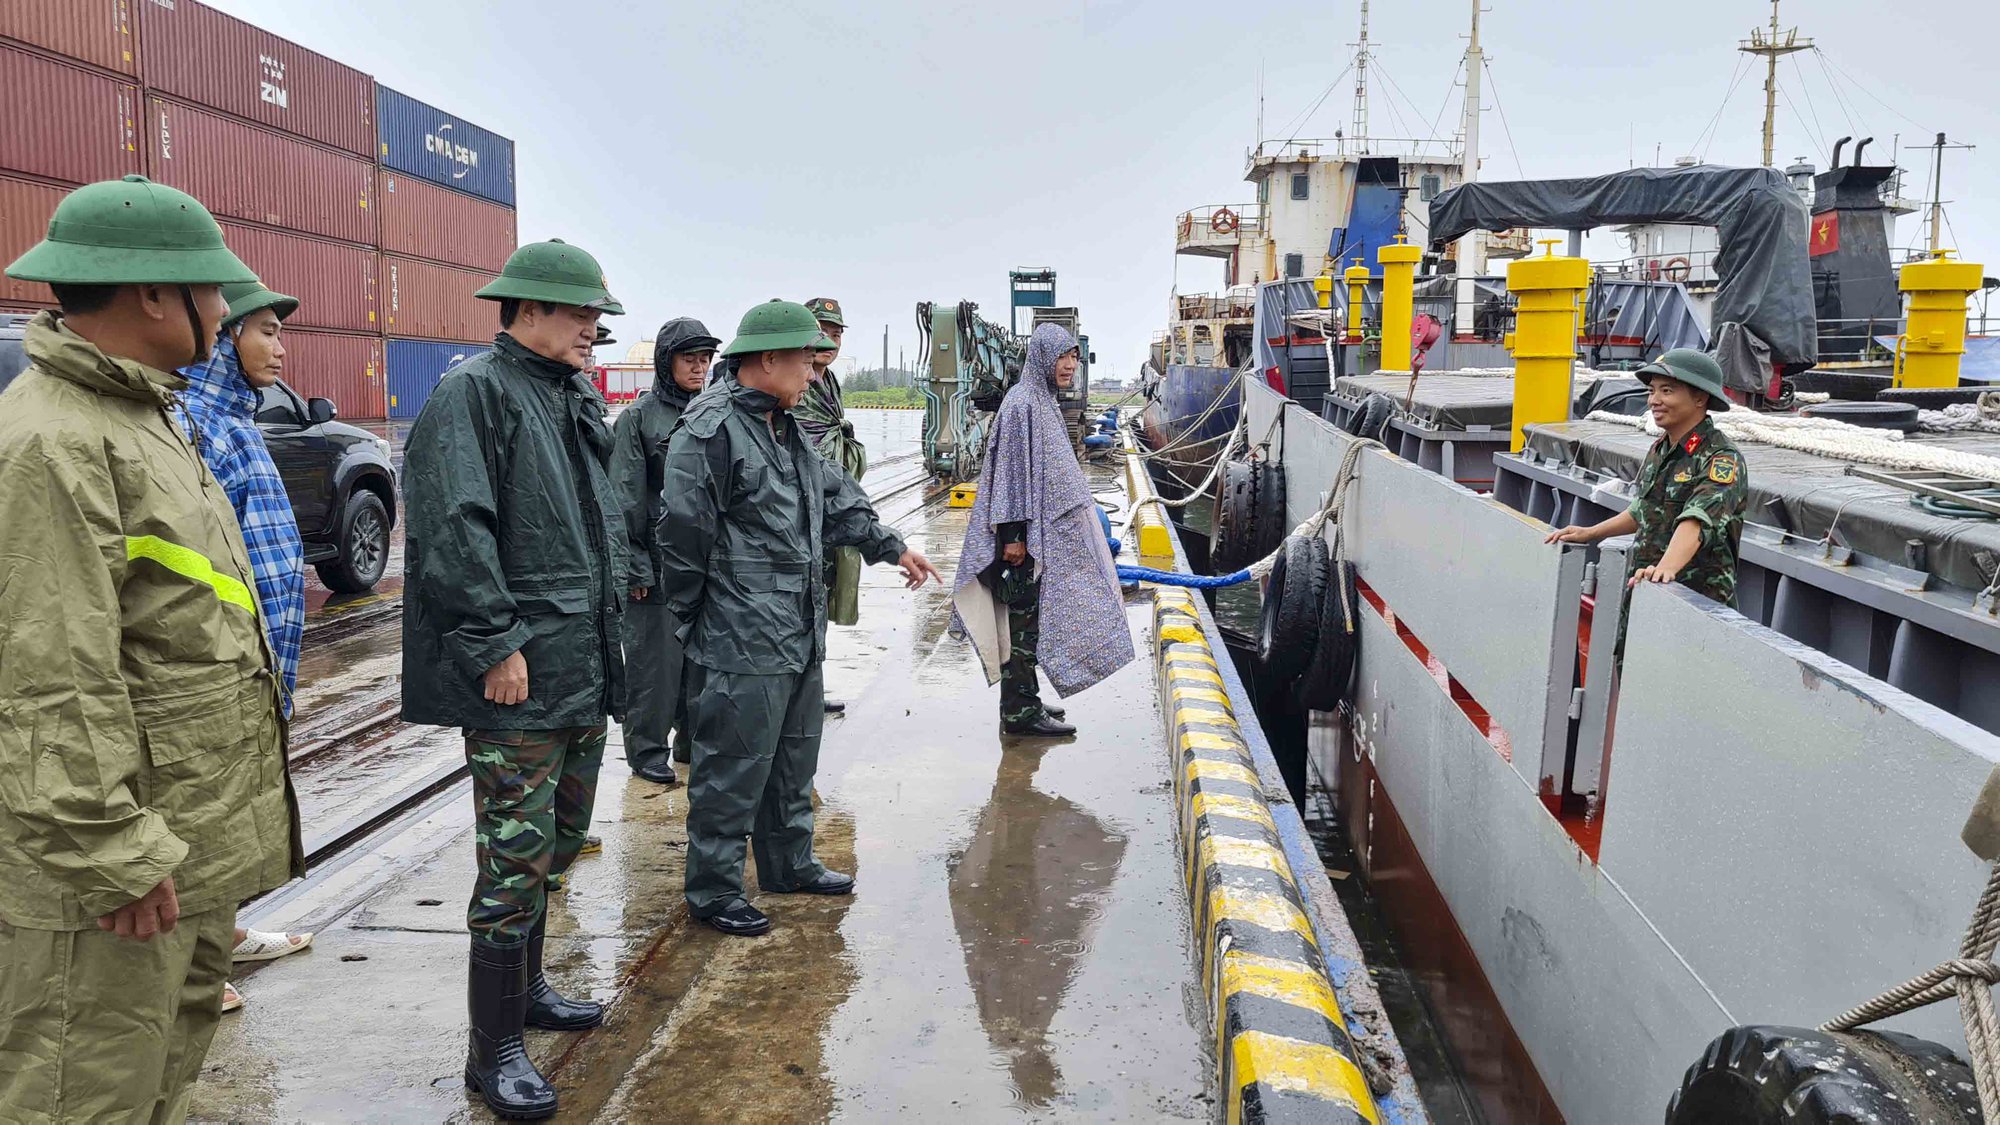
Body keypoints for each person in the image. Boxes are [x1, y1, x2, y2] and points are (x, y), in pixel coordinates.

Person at [0, 175, 302, 1121]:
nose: (225, 310)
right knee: (80, 1093)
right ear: (153, 295)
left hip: (184, 842)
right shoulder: (54, 441)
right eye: (215, 291)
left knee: (153, 1083)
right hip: (118, 868)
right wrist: (112, 853)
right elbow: (50, 677)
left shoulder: (143, 416)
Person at [399, 239, 626, 1120]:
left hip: (577, 668)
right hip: (519, 676)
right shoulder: (476, 395)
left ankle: (526, 991)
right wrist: (494, 642)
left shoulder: (567, 396)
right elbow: (456, 530)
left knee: (556, 843)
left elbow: (597, 526)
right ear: (525, 312)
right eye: (579, 314)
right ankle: (490, 1051)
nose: (593, 329)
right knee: (512, 860)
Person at [657, 300, 940, 938]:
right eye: (804, 363)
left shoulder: (784, 427)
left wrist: (891, 546)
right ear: (766, 360)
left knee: (793, 755)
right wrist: (700, 615)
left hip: (797, 623)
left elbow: (834, 497)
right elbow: (681, 536)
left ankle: (788, 863)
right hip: (740, 630)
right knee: (732, 764)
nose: (813, 375)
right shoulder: (711, 429)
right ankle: (713, 889)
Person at [178, 282, 318, 1011]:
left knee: (234, 808)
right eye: (266, 331)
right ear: (225, 333)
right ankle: (187, 969)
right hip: (219, 667)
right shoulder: (192, 422)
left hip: (261, 662)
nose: (280, 346)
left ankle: (221, 932)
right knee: (198, 812)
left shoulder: (233, 419)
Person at [952, 324, 1134, 736]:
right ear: (1041, 358)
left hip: (1037, 538)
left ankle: (1026, 700)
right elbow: (1013, 475)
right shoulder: (1023, 405)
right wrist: (1014, 538)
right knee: (1021, 625)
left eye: (1073, 357)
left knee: (1031, 624)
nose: (1070, 365)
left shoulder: (1042, 400)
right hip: (1021, 541)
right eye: (1061, 357)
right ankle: (1018, 714)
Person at [1546, 348, 1749, 606]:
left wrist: (1665, 568)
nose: (1654, 400)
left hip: (1696, 604)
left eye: (1667, 390)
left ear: (1700, 398)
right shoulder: (1661, 448)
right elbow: (1644, 511)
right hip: (1648, 589)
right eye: (1652, 390)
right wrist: (1590, 532)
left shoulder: (1721, 458)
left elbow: (1698, 520)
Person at [611, 317, 719, 785]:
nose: (699, 369)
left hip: (708, 566)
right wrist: (635, 567)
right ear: (665, 362)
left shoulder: (718, 412)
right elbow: (624, 498)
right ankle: (646, 749)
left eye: (705, 360)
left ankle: (692, 742)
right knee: (654, 666)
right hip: (655, 565)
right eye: (689, 359)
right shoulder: (639, 418)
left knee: (703, 664)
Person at [794, 296, 863, 709]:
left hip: (830, 507)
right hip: (804, 509)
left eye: (836, 333)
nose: (830, 339)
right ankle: (802, 689)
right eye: (822, 330)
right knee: (805, 599)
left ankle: (812, 684)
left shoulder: (830, 383)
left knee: (823, 593)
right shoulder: (795, 383)